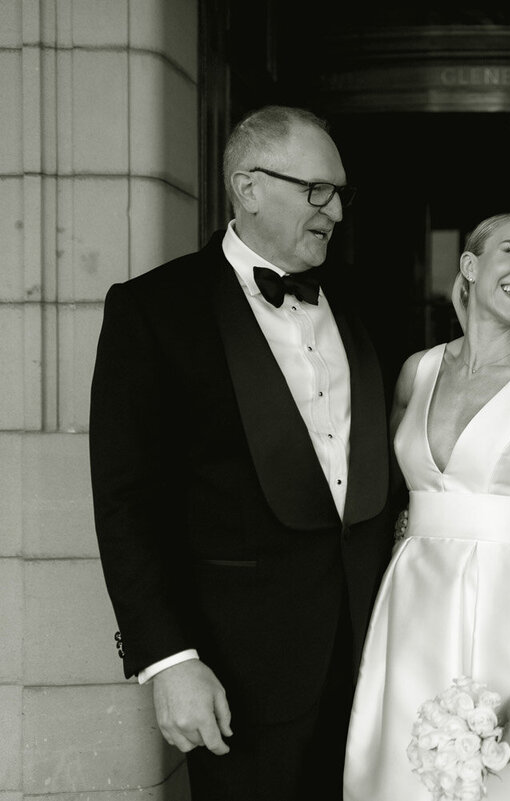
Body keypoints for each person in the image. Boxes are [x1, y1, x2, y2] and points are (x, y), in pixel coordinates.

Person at [89, 105, 397, 799]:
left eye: (341, 192)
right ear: (248, 186)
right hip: (238, 674)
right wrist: (168, 659)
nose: (336, 211)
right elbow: (126, 500)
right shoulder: (153, 309)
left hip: (372, 659)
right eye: (316, 190)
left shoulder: (365, 304)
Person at [343, 213, 510, 800]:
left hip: (508, 612)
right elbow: (387, 500)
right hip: (410, 609)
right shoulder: (417, 371)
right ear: (469, 266)